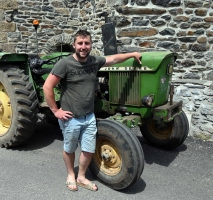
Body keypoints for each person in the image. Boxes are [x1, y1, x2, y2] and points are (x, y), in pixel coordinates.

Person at [43, 30, 142, 192]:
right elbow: (48, 86)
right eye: (80, 43)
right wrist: (55, 111)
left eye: (86, 43)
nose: (83, 47)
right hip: (70, 117)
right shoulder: (65, 64)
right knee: (69, 148)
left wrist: (132, 54)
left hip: (89, 117)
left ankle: (81, 176)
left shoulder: (94, 61)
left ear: (90, 45)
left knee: (88, 150)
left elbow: (114, 58)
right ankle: (70, 175)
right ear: (74, 45)